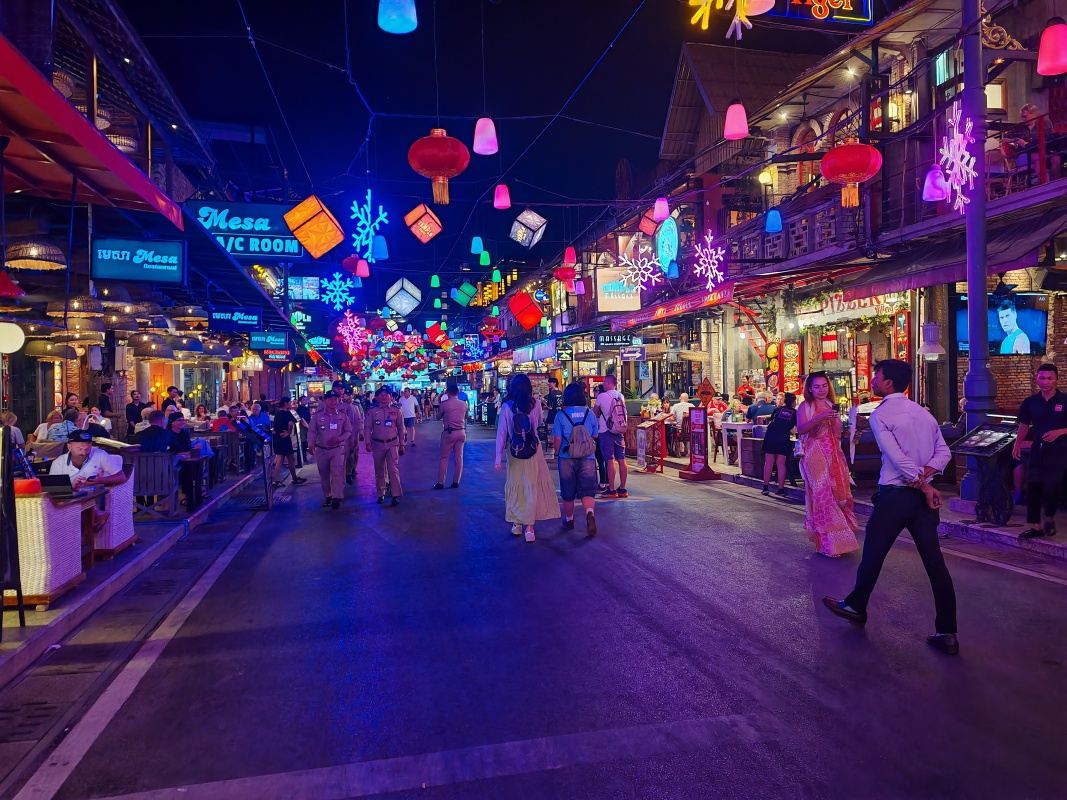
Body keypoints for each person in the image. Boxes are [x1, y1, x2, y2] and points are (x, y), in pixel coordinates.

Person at [824, 359, 958, 656]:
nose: (872, 379)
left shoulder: (881, 414)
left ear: (887, 383)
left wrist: (920, 482)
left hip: (895, 497)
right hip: (921, 501)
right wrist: (927, 476)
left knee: (873, 554)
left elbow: (895, 456)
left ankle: (857, 605)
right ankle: (947, 631)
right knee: (935, 563)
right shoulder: (923, 413)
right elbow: (944, 452)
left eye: (876, 375)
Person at [797, 372, 858, 557]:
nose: (821, 390)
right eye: (816, 386)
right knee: (823, 495)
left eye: (824, 386)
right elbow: (801, 429)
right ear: (809, 388)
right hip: (815, 453)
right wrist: (820, 417)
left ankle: (841, 541)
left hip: (833, 452)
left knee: (839, 493)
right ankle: (827, 543)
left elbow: (837, 433)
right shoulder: (805, 406)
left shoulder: (832, 405)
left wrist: (853, 431)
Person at [495, 373, 559, 541]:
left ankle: (517, 523)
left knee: (516, 485)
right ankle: (529, 529)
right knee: (531, 485)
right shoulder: (536, 403)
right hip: (533, 448)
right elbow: (537, 424)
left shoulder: (507, 406)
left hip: (515, 450)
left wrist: (497, 457)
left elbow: (502, 433)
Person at [1014, 363, 1067, 539]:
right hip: (1038, 450)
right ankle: (1036, 527)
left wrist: (1059, 432)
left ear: (1057, 380)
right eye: (1042, 378)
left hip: (1060, 451)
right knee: (1034, 486)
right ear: (1037, 379)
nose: (1045, 381)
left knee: (1052, 486)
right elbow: (1024, 424)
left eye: (1049, 378)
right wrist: (1017, 444)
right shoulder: (1031, 402)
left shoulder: (1064, 401)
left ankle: (1049, 517)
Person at [50, 429, 125, 530]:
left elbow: (121, 477)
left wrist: (99, 480)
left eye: (87, 449)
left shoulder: (99, 454)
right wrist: (72, 486)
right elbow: (53, 490)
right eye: (80, 449)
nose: (83, 453)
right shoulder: (58, 463)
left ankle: (93, 520)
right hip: (68, 500)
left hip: (93, 495)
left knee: (95, 490)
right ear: (69, 446)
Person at [552, 382, 599, 536]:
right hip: (588, 457)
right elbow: (595, 435)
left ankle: (569, 519)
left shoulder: (561, 415)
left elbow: (557, 439)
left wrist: (557, 452)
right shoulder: (589, 413)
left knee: (568, 490)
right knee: (588, 490)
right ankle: (589, 513)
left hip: (567, 457)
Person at [308, 391, 351, 510]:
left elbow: (348, 431)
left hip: (337, 449)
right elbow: (312, 431)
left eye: (335, 399)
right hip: (321, 450)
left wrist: (339, 439)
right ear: (325, 401)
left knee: (337, 473)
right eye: (330, 399)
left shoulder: (343, 416)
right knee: (324, 474)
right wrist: (311, 444)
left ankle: (337, 497)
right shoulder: (317, 416)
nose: (333, 402)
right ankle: (328, 495)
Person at [366, 387, 405, 506]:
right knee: (379, 470)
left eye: (386, 394)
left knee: (393, 470)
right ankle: (380, 493)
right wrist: (367, 442)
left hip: (392, 444)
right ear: (377, 397)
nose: (384, 396)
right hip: (377, 444)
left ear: (390, 396)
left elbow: (401, 428)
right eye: (381, 395)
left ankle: (396, 494)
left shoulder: (396, 410)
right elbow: (367, 428)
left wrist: (402, 444)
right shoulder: (372, 411)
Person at [592, 373, 629, 498]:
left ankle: (612, 490)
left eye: (604, 382)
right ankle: (623, 489)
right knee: (622, 460)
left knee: (609, 460)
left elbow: (595, 413)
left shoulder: (602, 396)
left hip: (606, 431)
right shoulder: (621, 396)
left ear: (608, 383)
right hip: (619, 430)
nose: (603, 384)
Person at [434, 380, 467, 490]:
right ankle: (456, 482)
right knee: (459, 458)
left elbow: (438, 417)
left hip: (449, 432)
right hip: (461, 432)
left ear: (448, 392)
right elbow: (466, 417)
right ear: (458, 393)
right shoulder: (464, 404)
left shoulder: (445, 404)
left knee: (444, 458)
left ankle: (440, 482)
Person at [762, 392, 797, 496]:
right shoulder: (794, 412)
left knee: (768, 462)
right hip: (783, 437)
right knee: (781, 463)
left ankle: (765, 487)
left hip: (771, 435)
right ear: (794, 401)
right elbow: (794, 428)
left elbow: (772, 421)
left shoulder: (777, 410)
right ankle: (780, 488)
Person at [271, 397, 307, 488]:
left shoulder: (279, 413)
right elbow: (291, 423)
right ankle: (281, 479)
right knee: (285, 459)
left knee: (284, 458)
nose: (291, 404)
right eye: (290, 402)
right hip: (283, 438)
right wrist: (288, 432)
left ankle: (281, 479)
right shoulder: (285, 413)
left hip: (279, 438)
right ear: (285, 403)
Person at [341, 386, 365, 484]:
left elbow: (361, 419)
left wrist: (361, 431)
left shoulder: (356, 405)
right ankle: (347, 473)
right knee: (346, 454)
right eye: (346, 395)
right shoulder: (340, 406)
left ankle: (352, 470)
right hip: (343, 435)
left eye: (349, 395)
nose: (348, 397)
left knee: (355, 453)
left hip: (354, 433)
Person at [296, 395, 312, 462]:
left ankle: (304, 459)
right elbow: (302, 420)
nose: (305, 401)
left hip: (307, 426)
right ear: (300, 401)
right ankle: (301, 460)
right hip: (302, 428)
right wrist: (308, 427)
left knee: (305, 444)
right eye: (303, 400)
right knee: (302, 444)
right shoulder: (299, 409)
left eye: (306, 399)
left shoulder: (306, 408)